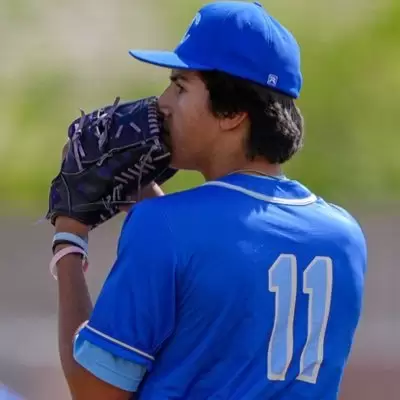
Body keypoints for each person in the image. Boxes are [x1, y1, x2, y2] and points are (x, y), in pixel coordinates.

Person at [53, 1, 367, 399]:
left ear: (233, 112)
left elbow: (93, 390)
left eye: (181, 86)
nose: (163, 102)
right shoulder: (345, 236)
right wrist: (145, 197)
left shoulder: (164, 228)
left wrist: (69, 238)